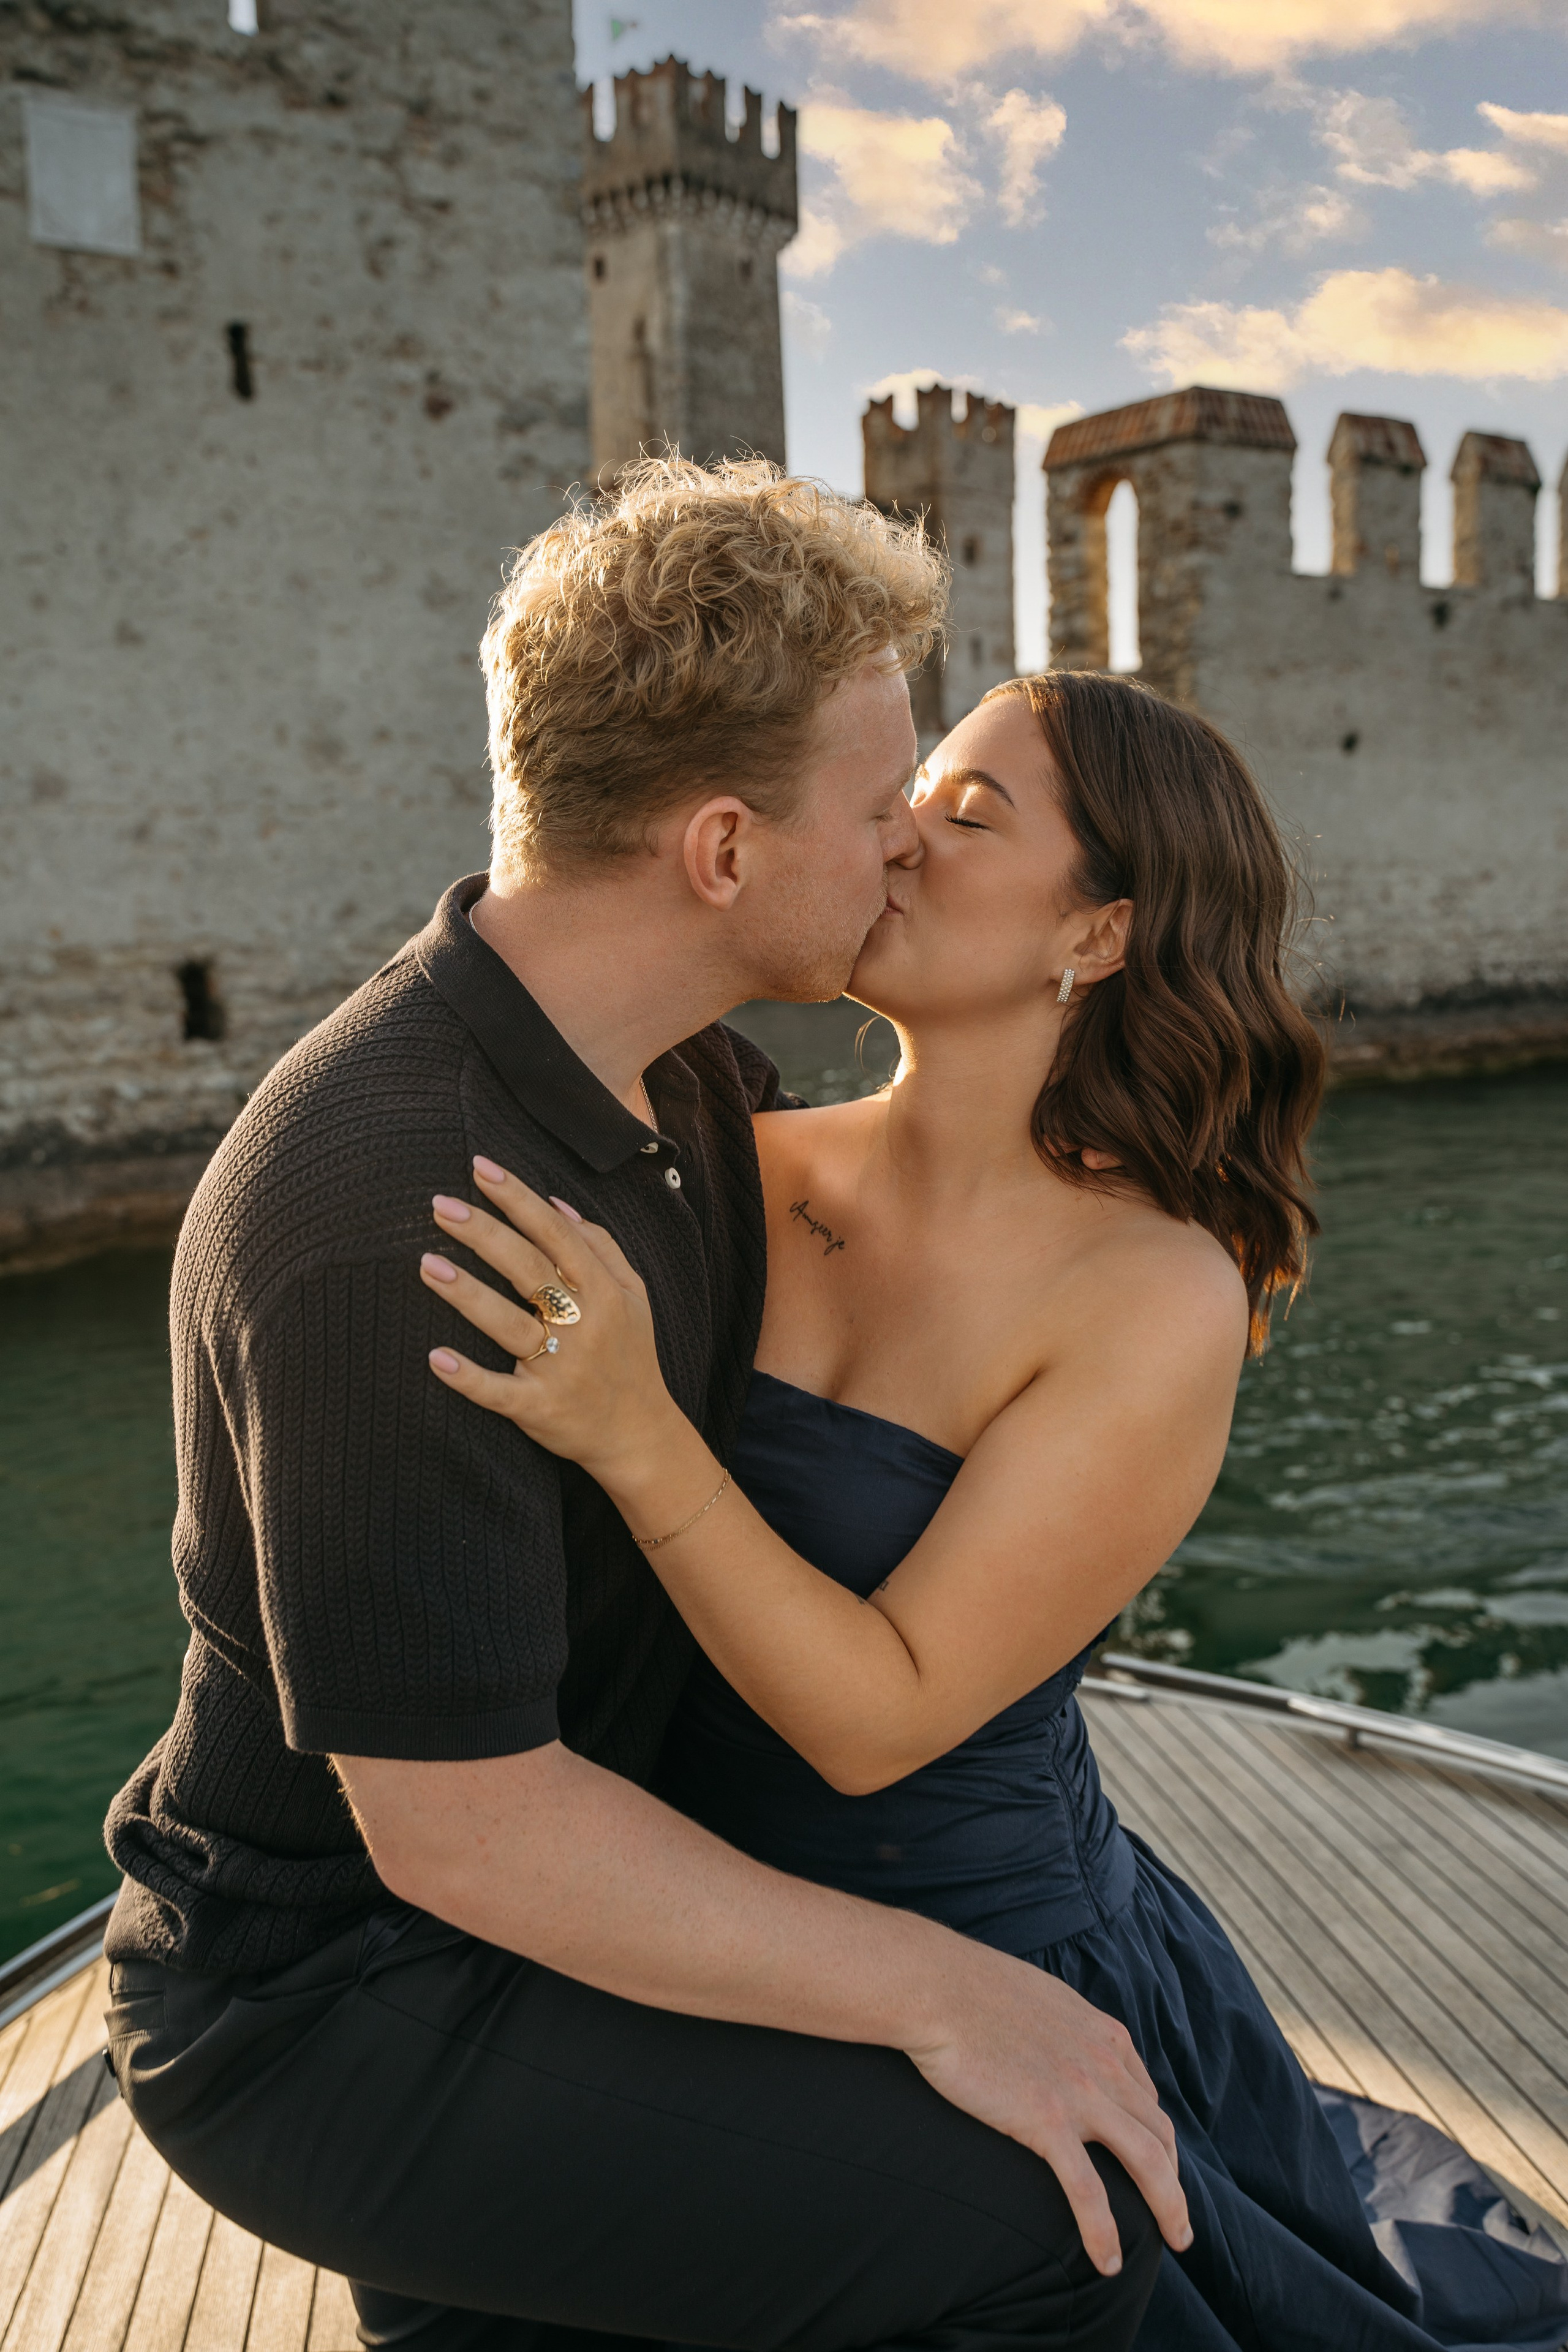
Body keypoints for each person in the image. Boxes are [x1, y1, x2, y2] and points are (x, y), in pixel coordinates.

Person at [102, 461, 1183, 2352]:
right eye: (877, 808)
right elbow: (467, 1839)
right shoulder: (395, 1214)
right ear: (722, 851)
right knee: (1042, 2216)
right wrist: (941, 1983)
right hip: (328, 1992)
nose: (905, 849)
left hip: (533, 1893)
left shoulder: (682, 1092)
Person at [422, 668, 1568, 2352]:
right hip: (668, 1911)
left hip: (970, 1941)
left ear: (1096, 936)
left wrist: (639, 1436)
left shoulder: (1156, 1290)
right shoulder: (735, 1156)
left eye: (965, 816)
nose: (895, 837)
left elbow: (875, 1725)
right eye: (906, 797)